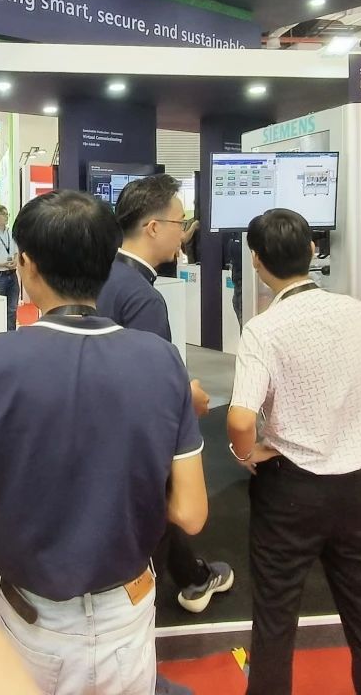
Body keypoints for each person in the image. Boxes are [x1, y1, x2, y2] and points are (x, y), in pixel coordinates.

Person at [0, 190, 208, 695]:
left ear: (26, 264)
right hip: (125, 616)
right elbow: (191, 514)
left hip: (26, 620)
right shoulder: (162, 362)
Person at [228, 209, 361, 695]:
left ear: (256, 261)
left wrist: (245, 454)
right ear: (311, 250)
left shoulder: (264, 328)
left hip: (290, 487)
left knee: (275, 616)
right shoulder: (357, 312)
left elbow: (240, 418)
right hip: (356, 486)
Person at [98, 174, 231, 629]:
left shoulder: (100, 275)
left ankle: (193, 576)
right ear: (153, 227)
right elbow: (149, 384)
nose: (184, 233)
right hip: (133, 437)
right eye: (180, 222)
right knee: (156, 511)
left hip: (97, 429)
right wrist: (185, 395)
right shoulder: (143, 297)